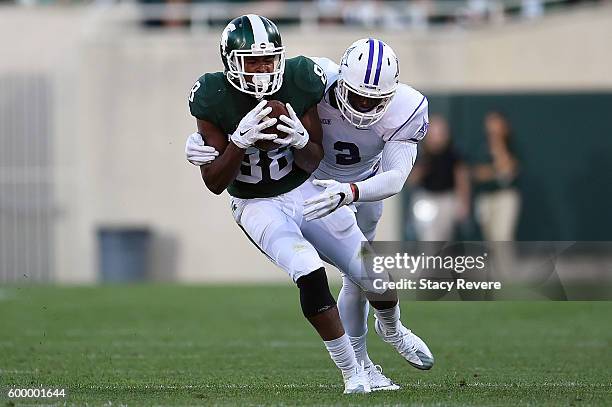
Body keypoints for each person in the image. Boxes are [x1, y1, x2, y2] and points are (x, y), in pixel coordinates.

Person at [187, 37, 435, 391]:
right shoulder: (317, 78)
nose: (364, 106)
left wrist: (350, 192)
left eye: (375, 99)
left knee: (372, 274)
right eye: (356, 95)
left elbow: (396, 177)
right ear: (340, 81)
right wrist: (201, 140)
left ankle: (392, 330)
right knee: (322, 272)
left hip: (364, 186)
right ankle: (359, 369)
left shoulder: (406, 107)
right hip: (313, 185)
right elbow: (242, 105)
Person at [408, 114, 470, 241]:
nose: (436, 137)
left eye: (439, 133)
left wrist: (463, 202)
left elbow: (461, 179)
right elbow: (411, 179)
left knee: (443, 236)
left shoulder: (453, 155)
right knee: (427, 236)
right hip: (426, 198)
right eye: (433, 133)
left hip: (446, 199)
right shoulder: (420, 154)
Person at [471, 111, 520, 241]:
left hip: (504, 196)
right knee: (489, 238)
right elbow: (477, 173)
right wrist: (495, 172)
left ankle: (504, 262)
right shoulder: (480, 145)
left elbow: (508, 170)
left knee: (502, 237)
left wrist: (498, 144)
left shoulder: (511, 144)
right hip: (485, 196)